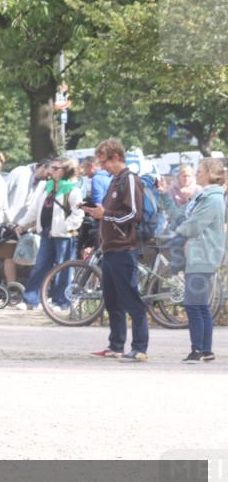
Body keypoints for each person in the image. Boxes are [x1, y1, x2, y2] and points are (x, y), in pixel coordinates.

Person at [82, 139, 149, 362]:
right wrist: (97, 213)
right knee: (112, 300)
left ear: (116, 157)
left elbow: (133, 214)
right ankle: (116, 345)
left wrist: (105, 215)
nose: (102, 167)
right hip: (110, 248)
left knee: (131, 298)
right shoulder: (114, 181)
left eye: (104, 162)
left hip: (123, 248)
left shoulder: (129, 179)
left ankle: (139, 347)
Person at [173, 158, 225, 363]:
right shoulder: (210, 196)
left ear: (211, 173)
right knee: (200, 305)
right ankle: (206, 350)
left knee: (193, 305)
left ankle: (197, 350)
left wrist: (177, 231)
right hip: (203, 254)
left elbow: (194, 226)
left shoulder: (211, 198)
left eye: (201, 170)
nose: (197, 174)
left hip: (202, 255)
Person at [16, 157, 84, 310]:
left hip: (64, 236)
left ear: (64, 171)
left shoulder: (73, 190)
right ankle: (31, 300)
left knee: (63, 268)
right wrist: (22, 224)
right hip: (46, 233)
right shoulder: (46, 187)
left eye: (55, 168)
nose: (50, 171)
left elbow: (78, 214)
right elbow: (34, 210)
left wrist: (65, 227)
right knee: (40, 266)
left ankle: (61, 302)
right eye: (50, 167)